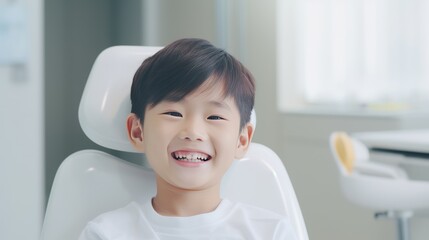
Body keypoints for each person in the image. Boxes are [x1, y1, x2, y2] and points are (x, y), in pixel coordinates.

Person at [79, 38, 297, 240]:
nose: (193, 132)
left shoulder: (271, 233)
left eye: (215, 117)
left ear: (242, 140)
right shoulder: (106, 234)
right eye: (173, 113)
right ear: (138, 132)